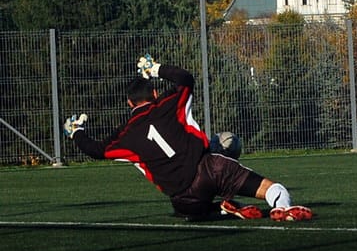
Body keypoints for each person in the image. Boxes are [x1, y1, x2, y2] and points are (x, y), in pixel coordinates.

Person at [63, 54, 313, 222]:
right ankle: (282, 207)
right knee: (272, 188)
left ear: (129, 103)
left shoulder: (125, 136)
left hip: (184, 198)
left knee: (183, 208)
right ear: (154, 92)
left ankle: (222, 208)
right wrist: (156, 68)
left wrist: (77, 132)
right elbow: (185, 79)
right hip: (210, 169)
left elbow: (95, 149)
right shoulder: (168, 104)